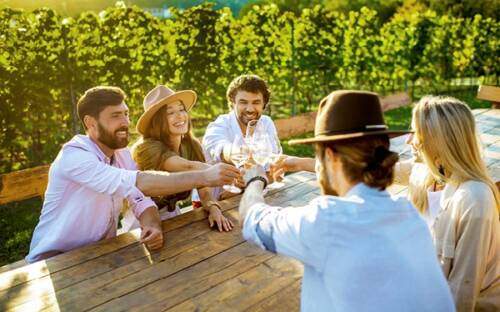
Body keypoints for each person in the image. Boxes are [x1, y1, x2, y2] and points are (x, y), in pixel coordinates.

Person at [240, 90, 455, 311]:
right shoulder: (409, 215)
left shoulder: (327, 221)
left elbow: (251, 219)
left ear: (331, 157)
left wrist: (255, 180)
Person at [26, 86, 240, 263]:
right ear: (90, 123)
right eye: (116, 116)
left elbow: (139, 198)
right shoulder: (75, 156)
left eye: (126, 114)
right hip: (53, 260)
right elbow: (140, 182)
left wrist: (153, 225)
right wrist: (206, 175)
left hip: (100, 255)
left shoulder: (121, 154)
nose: (125, 122)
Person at [394, 95, 500, 312]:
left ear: (438, 139)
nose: (408, 140)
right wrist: (304, 164)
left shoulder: (474, 198)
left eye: (415, 132)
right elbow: (362, 171)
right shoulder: (426, 175)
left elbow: (463, 289)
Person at [121, 85, 233, 232]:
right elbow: (188, 167)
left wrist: (213, 208)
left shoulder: (191, 145)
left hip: (174, 215)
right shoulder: (146, 148)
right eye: (170, 113)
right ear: (157, 121)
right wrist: (233, 174)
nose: (180, 116)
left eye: (181, 109)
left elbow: (204, 189)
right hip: (141, 221)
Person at [202, 74, 281, 198]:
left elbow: (271, 166)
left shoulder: (266, 123)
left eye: (256, 102)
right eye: (243, 102)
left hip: (254, 196)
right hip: (214, 202)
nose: (250, 109)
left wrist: (251, 181)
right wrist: (239, 153)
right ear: (233, 102)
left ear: (264, 104)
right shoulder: (218, 125)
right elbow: (221, 149)